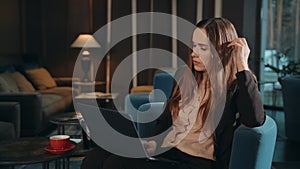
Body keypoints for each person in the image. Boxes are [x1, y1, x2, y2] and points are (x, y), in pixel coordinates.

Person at [81, 17, 265, 169]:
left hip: (199, 163)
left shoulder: (237, 85)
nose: (194, 53)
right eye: (193, 45)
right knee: (95, 157)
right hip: (169, 154)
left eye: (203, 48)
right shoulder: (185, 77)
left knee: (117, 164)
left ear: (222, 51)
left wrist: (242, 65)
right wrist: (154, 144)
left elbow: (254, 120)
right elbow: (165, 122)